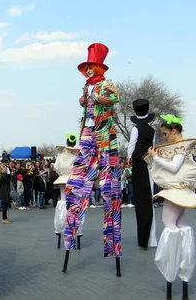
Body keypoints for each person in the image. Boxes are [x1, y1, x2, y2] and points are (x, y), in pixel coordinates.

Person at [63, 43, 122, 276]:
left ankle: (113, 243)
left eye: (91, 67)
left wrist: (95, 95)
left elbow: (114, 98)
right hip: (87, 132)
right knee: (77, 184)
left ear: (98, 67)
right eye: (86, 68)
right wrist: (83, 99)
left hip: (104, 134)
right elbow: (86, 107)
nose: (88, 71)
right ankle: (70, 233)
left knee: (109, 185)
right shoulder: (86, 86)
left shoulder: (105, 84)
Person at [146, 115, 195, 300]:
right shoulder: (181, 147)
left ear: (174, 131)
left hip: (176, 191)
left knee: (170, 225)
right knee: (180, 226)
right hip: (178, 190)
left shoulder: (181, 148)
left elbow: (174, 168)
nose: (164, 137)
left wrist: (155, 157)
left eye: (165, 134)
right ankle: (182, 267)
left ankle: (172, 265)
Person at [127, 98, 158, 250]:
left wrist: (129, 159)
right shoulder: (152, 130)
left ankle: (143, 239)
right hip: (148, 163)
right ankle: (150, 238)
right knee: (149, 199)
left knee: (141, 201)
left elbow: (131, 146)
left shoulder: (135, 129)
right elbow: (154, 147)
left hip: (138, 164)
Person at [53, 134, 80, 249]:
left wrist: (61, 172)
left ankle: (61, 229)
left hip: (63, 179)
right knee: (74, 202)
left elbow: (57, 167)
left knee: (63, 200)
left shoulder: (60, 155)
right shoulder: (76, 156)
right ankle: (75, 231)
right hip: (73, 180)